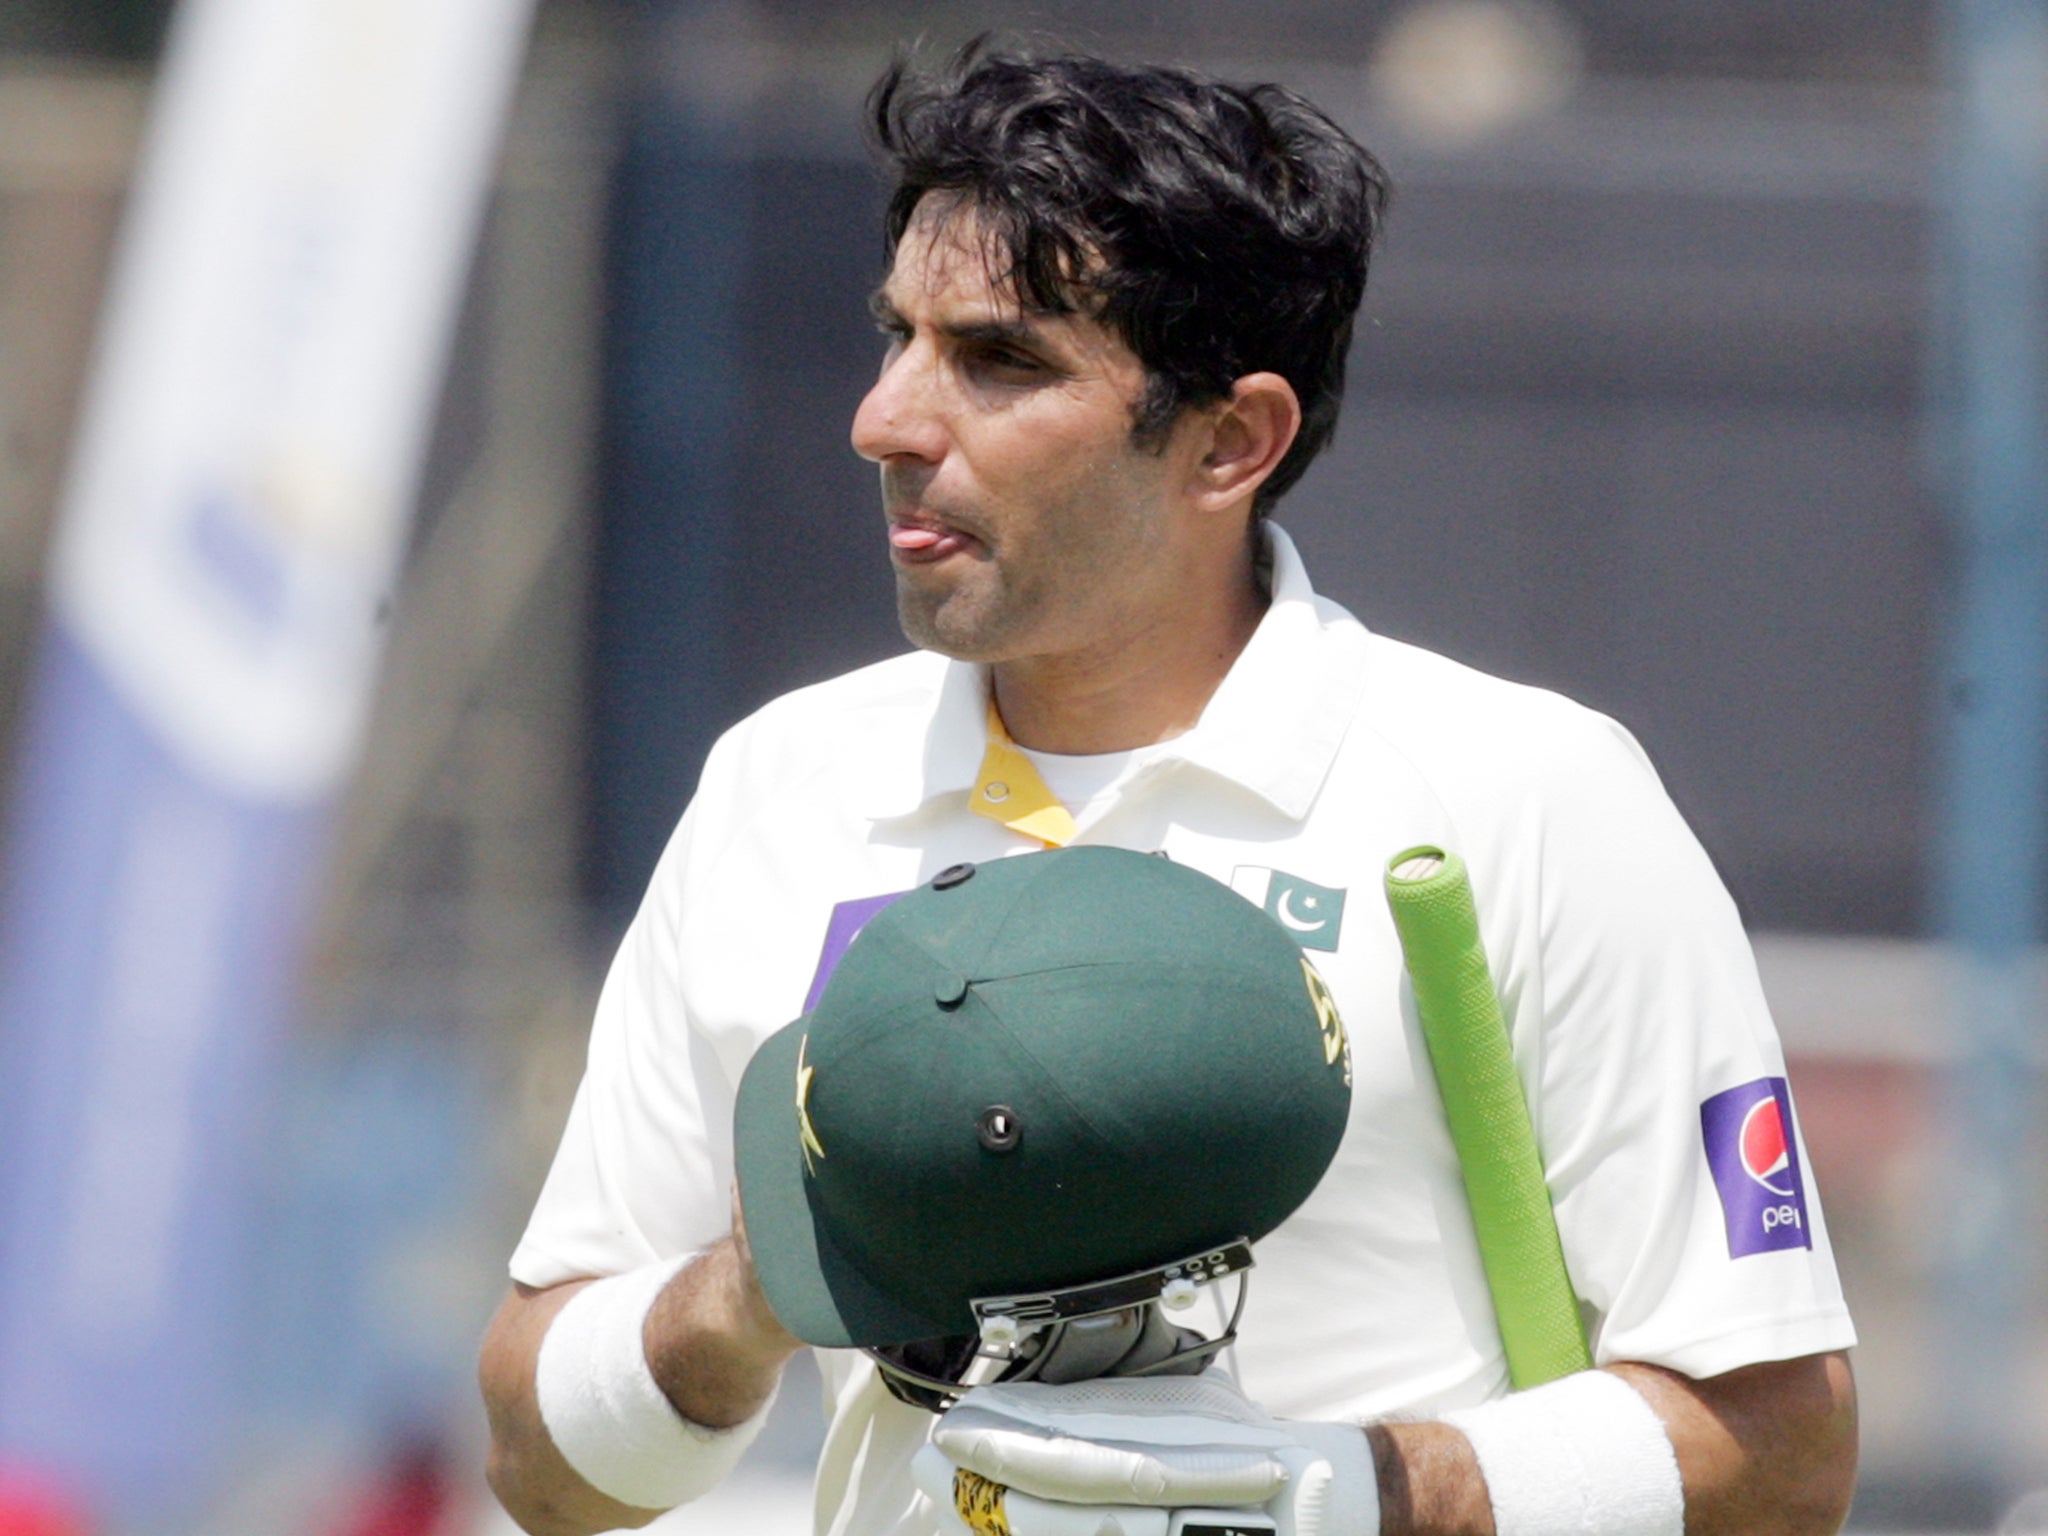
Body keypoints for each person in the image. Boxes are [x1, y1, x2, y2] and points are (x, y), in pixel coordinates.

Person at [478, 44, 1858, 1536]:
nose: (887, 420)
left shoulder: (1526, 796)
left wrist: (1340, 1500)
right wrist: (749, 1287)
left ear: (1230, 441)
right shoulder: (783, 788)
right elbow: (542, 1467)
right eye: (899, 338)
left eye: (999, 360)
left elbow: (1779, 1448)